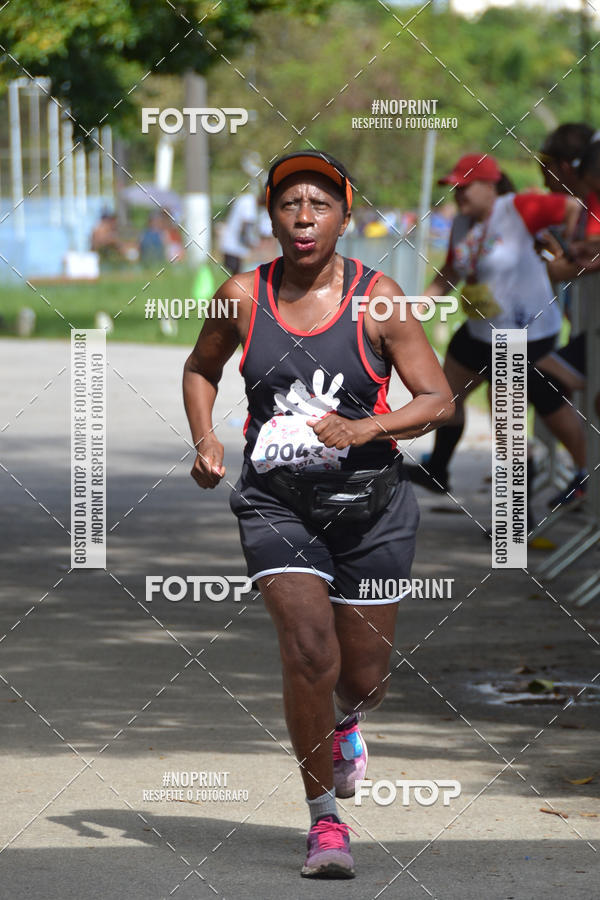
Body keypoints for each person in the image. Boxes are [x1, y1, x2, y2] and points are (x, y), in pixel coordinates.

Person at [183, 150, 454, 879]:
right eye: (288, 206)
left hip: (372, 510)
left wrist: (367, 428)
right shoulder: (242, 294)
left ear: (345, 211)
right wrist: (207, 441)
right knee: (308, 651)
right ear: (271, 214)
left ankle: (347, 724)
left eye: (319, 205)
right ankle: (325, 823)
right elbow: (201, 368)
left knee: (362, 677)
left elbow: (438, 399)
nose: (303, 220)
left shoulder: (380, 300)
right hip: (278, 503)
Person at [406, 153, 585, 516]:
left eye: (465, 187)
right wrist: (419, 304)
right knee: (444, 397)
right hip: (478, 331)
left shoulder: (518, 207)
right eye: (454, 189)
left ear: (489, 185)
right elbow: (451, 272)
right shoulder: (462, 223)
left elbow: (574, 206)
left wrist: (570, 248)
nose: (458, 195)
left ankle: (518, 517)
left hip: (522, 334)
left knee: (507, 422)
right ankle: (438, 470)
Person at [218, 190, 258, 274]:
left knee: (236, 278)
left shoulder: (246, 199)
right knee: (237, 278)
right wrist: (250, 244)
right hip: (234, 247)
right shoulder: (249, 203)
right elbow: (245, 227)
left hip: (229, 244)